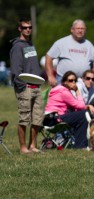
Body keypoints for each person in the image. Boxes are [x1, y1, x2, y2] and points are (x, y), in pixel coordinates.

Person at [10, 17, 44, 154]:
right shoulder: (17, 46)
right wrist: (22, 86)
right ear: (20, 29)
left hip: (37, 87)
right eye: (25, 27)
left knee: (37, 118)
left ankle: (32, 145)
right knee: (24, 119)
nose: (28, 29)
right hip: (25, 88)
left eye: (30, 27)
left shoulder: (30, 45)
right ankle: (23, 147)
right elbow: (15, 70)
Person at [44, 71, 94, 148]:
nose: (73, 82)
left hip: (50, 118)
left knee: (81, 114)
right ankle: (80, 145)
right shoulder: (64, 92)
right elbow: (81, 106)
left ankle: (79, 142)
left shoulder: (60, 90)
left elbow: (75, 107)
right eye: (70, 80)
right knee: (84, 114)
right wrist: (77, 91)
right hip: (55, 119)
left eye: (75, 81)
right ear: (65, 82)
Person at [45, 19, 94, 86]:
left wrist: (90, 79)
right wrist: (50, 76)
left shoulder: (89, 46)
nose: (80, 31)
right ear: (72, 30)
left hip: (82, 83)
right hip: (63, 80)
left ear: (85, 30)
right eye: (78, 28)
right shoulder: (62, 42)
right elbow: (49, 57)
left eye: (82, 29)